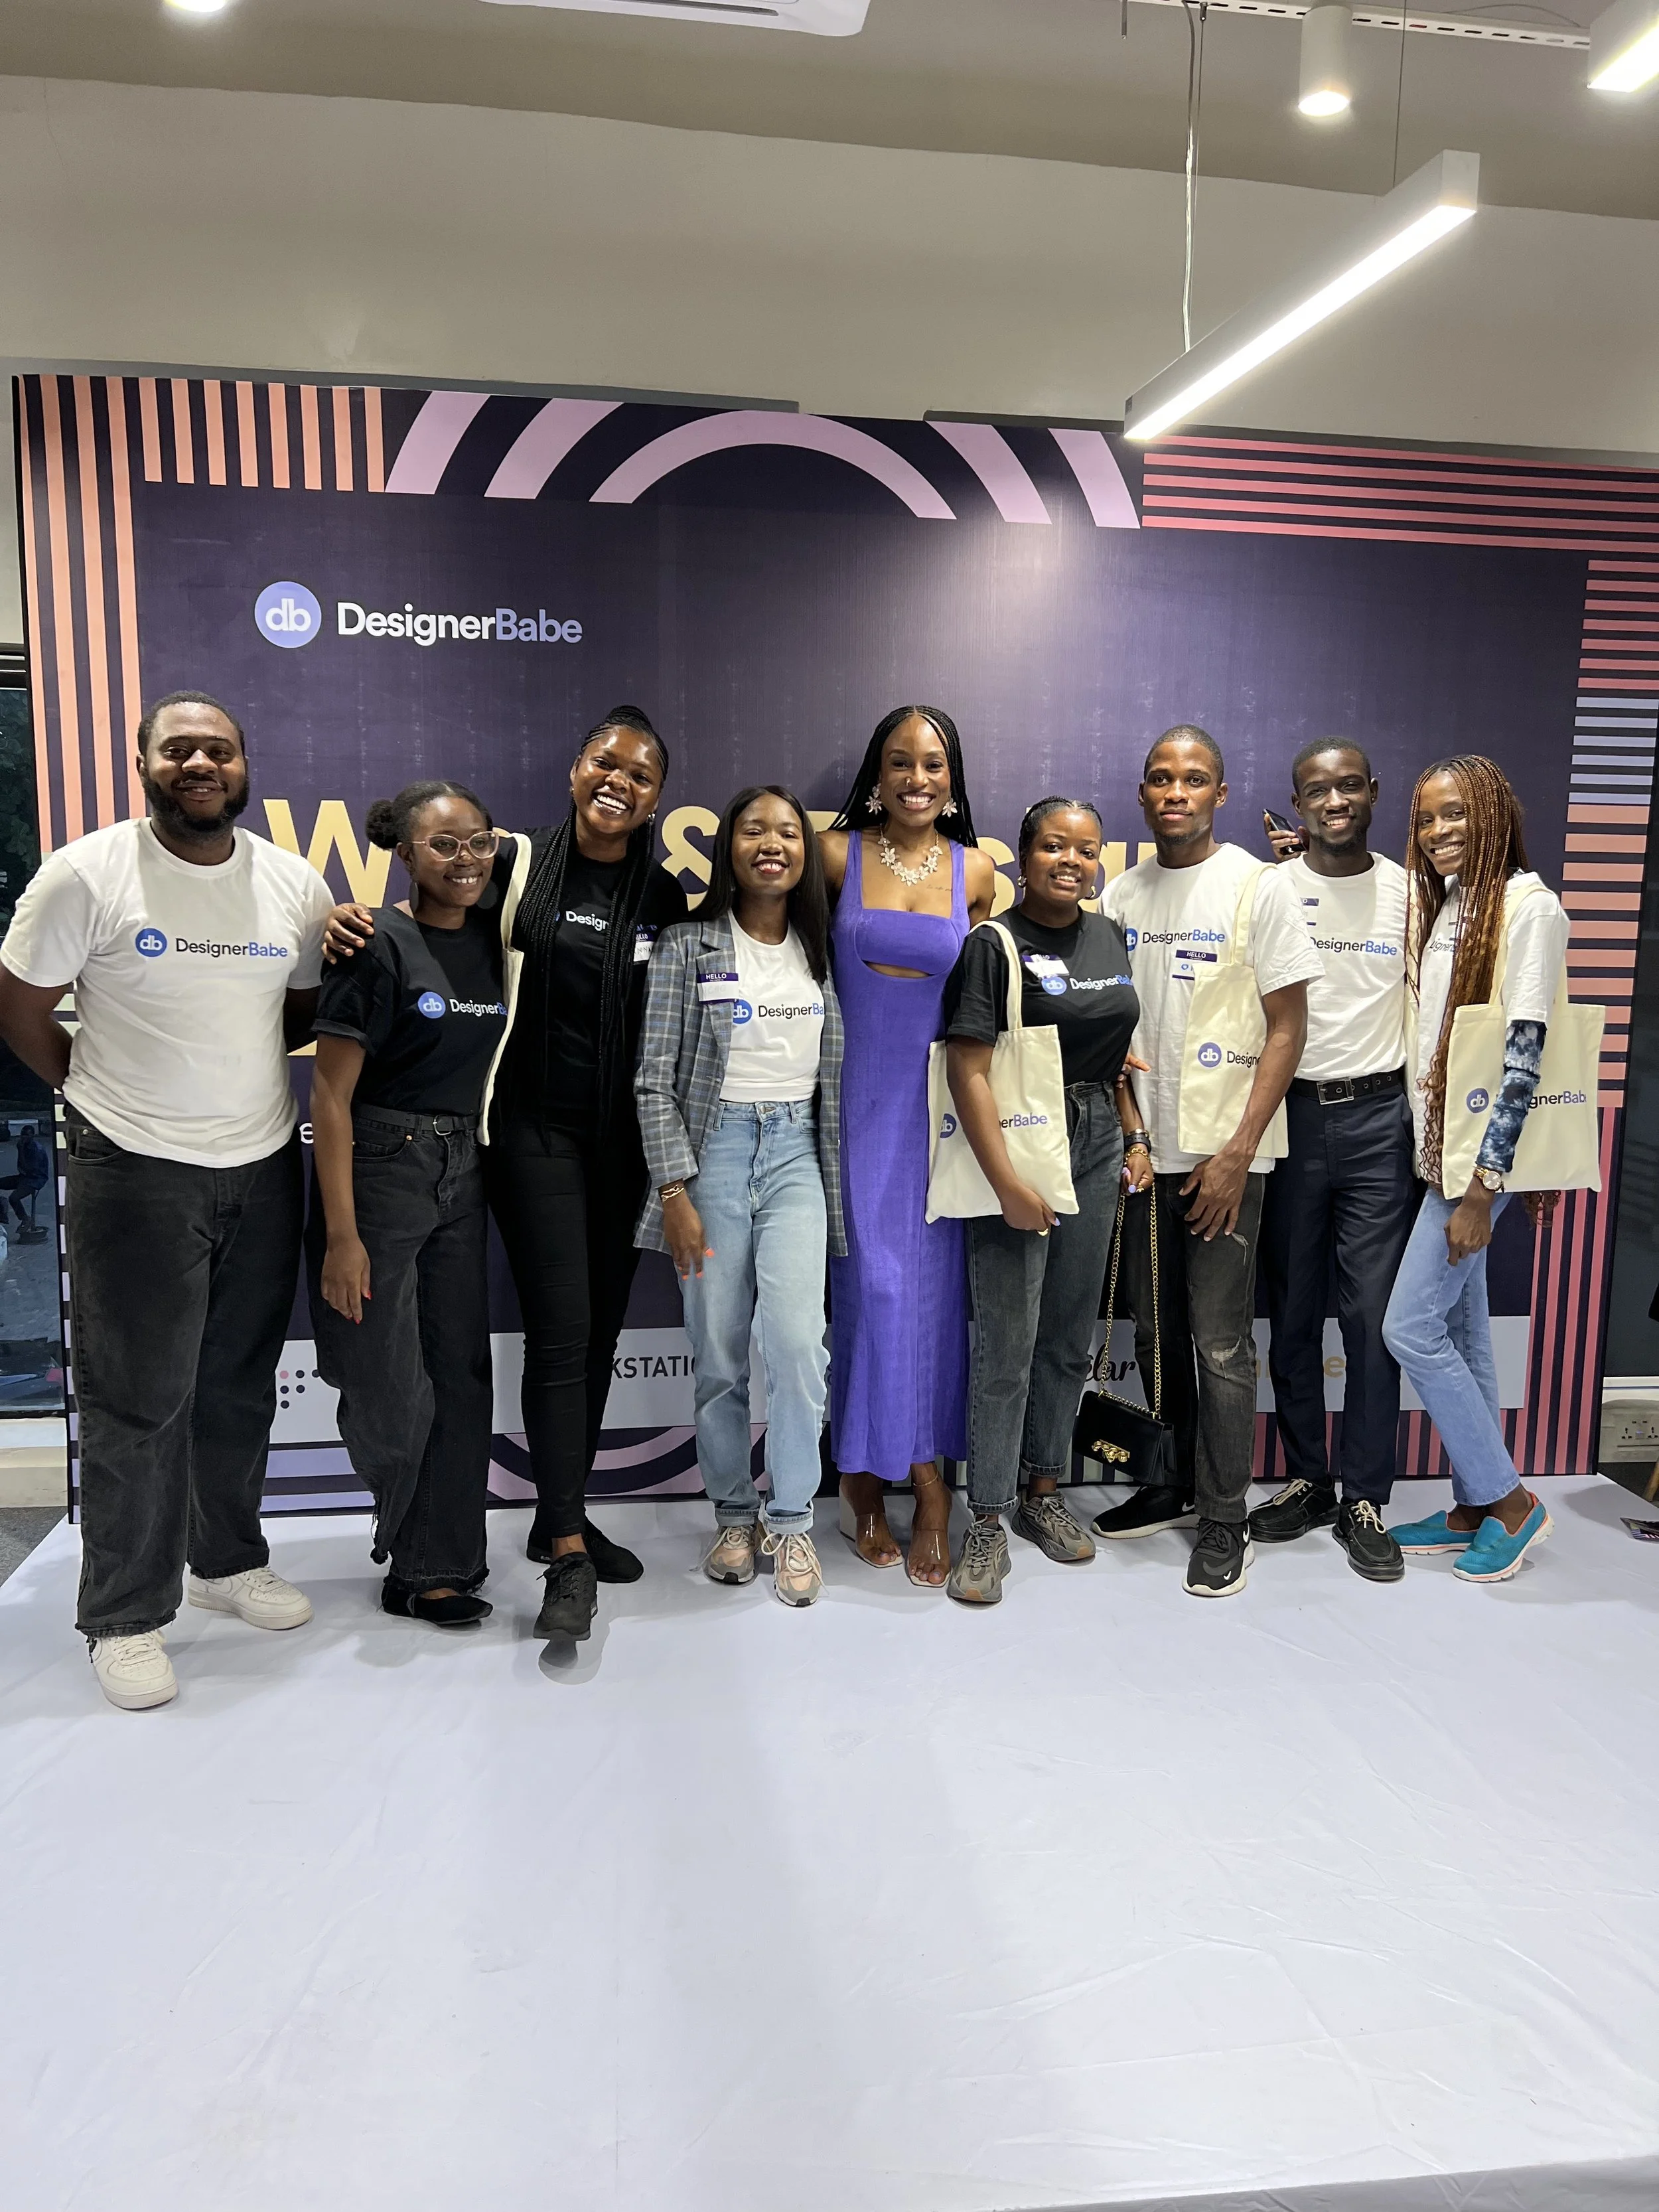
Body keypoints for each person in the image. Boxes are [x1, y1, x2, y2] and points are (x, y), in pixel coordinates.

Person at [326, 707, 689, 1643]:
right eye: (606, 762)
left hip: (622, 1148)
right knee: (565, 1334)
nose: (621, 781)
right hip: (532, 1138)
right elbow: (425, 918)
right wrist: (342, 919)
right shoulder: (516, 867)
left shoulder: (665, 897)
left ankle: (554, 1509)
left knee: (600, 1334)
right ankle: (566, 1545)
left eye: (642, 774)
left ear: (658, 797)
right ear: (576, 769)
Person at [0, 691, 333, 1710]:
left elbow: (298, 1015)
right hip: (133, 1169)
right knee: (136, 1400)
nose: (201, 763)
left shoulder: (293, 885)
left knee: (236, 1384)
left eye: (219, 750)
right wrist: (104, 1098)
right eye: (178, 749)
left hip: (263, 1160)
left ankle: (225, 1563)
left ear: (245, 766)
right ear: (143, 763)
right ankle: (124, 1616)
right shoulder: (86, 873)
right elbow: (18, 1008)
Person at [1100, 726, 1322, 1597]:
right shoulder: (1119, 893)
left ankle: (1225, 1519)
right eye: (1161, 777)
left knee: (1222, 1343)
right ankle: (1174, 1480)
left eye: (1194, 778)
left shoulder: (1257, 888)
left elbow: (1288, 1029)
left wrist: (1236, 1155)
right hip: (1145, 1156)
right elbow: (1108, 1031)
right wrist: (1129, 1133)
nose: (1176, 791)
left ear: (1221, 793)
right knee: (1156, 1331)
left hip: (1225, 1161)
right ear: (1145, 790)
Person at [635, 786, 845, 1607]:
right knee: (718, 1354)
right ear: (727, 848)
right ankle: (732, 1513)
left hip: (797, 1155)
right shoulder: (689, 947)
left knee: (796, 1346)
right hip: (711, 1155)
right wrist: (675, 1187)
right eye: (753, 829)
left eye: (788, 833)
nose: (771, 844)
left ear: (804, 854)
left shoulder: (820, 953)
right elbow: (653, 1082)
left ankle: (790, 1520)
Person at [307, 782, 506, 1630]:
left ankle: (441, 1567)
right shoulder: (372, 942)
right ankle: (407, 1536)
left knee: (460, 1377)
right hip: (382, 1167)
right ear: (406, 855)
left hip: (466, 1168)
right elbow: (329, 1093)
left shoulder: (501, 944)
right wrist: (343, 1235)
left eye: (477, 844)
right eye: (443, 847)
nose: (464, 862)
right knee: (390, 1380)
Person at [941, 799, 1142, 1606]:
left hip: (1095, 1137)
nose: (1072, 859)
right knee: (1007, 1342)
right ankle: (986, 1518)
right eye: (1053, 846)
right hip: (1022, 1139)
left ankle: (1041, 1492)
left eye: (1086, 849)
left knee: (1065, 1335)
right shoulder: (993, 945)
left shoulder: (1108, 935)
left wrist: (1133, 1136)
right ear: (1021, 855)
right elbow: (967, 1070)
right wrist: (1008, 1185)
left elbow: (1119, 1052)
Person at [818, 707, 996, 1587]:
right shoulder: (831, 856)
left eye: (932, 763)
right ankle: (861, 1483)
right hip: (854, 1110)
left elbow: (991, 997)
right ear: (876, 772)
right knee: (869, 1295)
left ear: (951, 776)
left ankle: (930, 1486)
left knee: (932, 1302)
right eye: (899, 762)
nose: (916, 778)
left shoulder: (980, 870)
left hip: (942, 1117)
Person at [1385, 755, 1566, 1583]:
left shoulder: (1530, 909)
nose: (1438, 832)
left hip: (1473, 1171)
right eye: (1426, 820)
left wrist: (1482, 1191)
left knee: (1408, 1327)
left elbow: (1525, 1055)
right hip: (1439, 1153)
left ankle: (1509, 1502)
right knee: (1460, 1330)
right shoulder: (1454, 902)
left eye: (1455, 814)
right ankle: (1469, 1504)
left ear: (1493, 810)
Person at [1249, 742, 1415, 1584]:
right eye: (1317, 790)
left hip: (1383, 1121)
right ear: (1297, 802)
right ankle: (1310, 1480)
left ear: (1373, 793)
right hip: (1293, 1118)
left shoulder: (1412, 891)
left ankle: (1364, 1497)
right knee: (1292, 1313)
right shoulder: (1271, 889)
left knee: (1372, 1321)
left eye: (1349, 785)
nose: (1335, 800)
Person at [0, 1122, 50, 1233]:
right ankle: (2, 1212)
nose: (24, 1137)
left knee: (14, 1198)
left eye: (27, 1135)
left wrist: (21, 1150)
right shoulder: (25, 1145)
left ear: (32, 1135)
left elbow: (28, 1169)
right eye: (23, 1135)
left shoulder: (36, 1149)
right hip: (24, 1177)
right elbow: (21, 1168)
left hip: (35, 1180)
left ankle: (25, 1219)